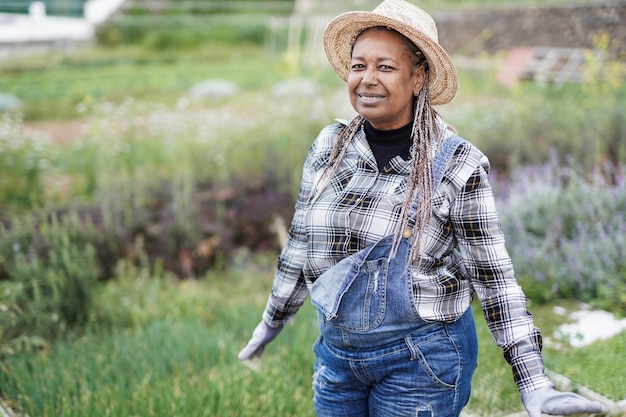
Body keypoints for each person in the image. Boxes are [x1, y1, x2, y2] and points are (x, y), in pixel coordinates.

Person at [238, 1, 606, 416]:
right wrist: (272, 320)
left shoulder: (455, 164)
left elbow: (494, 278)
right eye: (359, 66)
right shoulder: (330, 146)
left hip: (421, 360)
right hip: (337, 358)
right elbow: (301, 243)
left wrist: (534, 382)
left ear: (419, 77)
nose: (367, 79)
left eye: (386, 67)